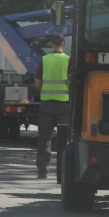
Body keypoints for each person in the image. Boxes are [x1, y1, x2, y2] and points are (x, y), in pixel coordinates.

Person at [34, 34, 70, 179]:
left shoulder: (44, 60)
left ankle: (42, 171)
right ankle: (64, 172)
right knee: (65, 140)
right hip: (64, 104)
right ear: (64, 44)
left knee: (44, 138)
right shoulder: (69, 60)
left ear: (51, 44)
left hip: (47, 103)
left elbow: (37, 85)